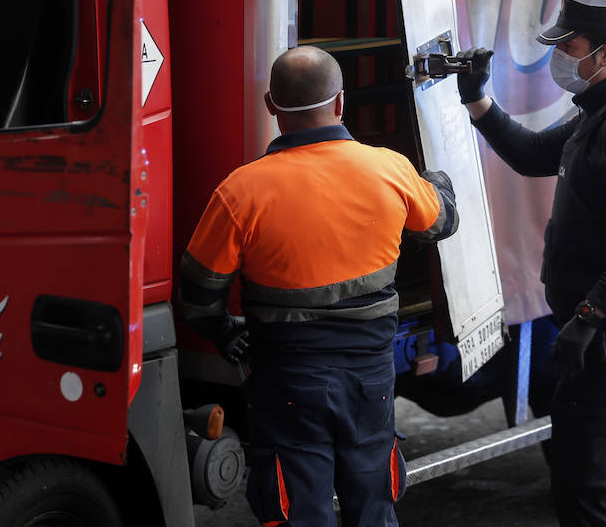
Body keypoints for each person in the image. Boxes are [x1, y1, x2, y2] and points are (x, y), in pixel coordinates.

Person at [179, 45, 459, 527]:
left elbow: (197, 297)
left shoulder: (239, 192)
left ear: (271, 105)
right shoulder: (389, 169)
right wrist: (434, 179)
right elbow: (443, 220)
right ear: (341, 102)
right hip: (370, 378)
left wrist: (227, 334)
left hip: (287, 382)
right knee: (372, 505)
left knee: (297, 509)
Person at [456, 0, 606, 527]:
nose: (558, 54)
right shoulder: (602, 111)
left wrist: (592, 315)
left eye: (569, 44)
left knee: (587, 496)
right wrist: (478, 100)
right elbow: (532, 154)